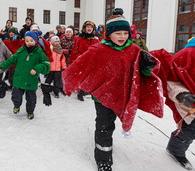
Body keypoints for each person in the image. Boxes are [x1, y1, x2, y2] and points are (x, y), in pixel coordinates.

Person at [63, 14, 164, 171]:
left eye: (125, 33)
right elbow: (79, 66)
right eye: (118, 33)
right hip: (102, 96)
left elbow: (141, 73)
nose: (122, 36)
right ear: (109, 33)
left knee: (111, 124)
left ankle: (105, 144)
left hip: (121, 93)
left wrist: (147, 65)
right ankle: (103, 158)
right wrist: (69, 82)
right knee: (105, 125)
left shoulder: (134, 50)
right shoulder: (98, 50)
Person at [164, 37, 195, 170]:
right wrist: (182, 94)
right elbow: (169, 76)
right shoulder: (188, 53)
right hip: (193, 104)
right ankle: (175, 149)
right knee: (191, 129)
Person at [0, 31, 50, 120]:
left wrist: (37, 68)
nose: (29, 42)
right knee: (16, 96)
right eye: (27, 41)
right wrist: (3, 66)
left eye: (31, 40)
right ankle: (16, 106)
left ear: (35, 41)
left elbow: (46, 63)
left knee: (31, 99)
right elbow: (11, 59)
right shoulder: (21, 51)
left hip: (31, 80)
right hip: (19, 79)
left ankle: (30, 112)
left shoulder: (39, 52)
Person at [69, 20, 99, 101]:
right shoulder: (79, 39)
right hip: (82, 60)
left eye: (91, 27)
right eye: (87, 27)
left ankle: (88, 91)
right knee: (82, 77)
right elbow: (75, 50)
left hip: (92, 61)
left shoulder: (96, 39)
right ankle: (81, 93)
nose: (89, 28)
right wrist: (80, 57)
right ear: (84, 28)